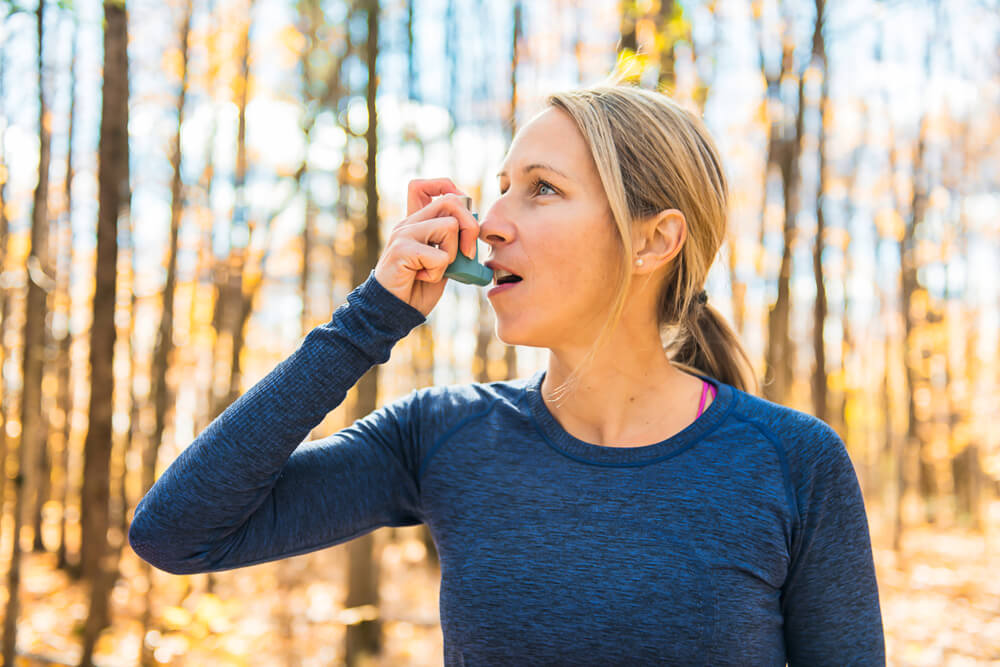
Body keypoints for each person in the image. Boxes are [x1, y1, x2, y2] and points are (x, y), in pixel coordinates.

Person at [129, 83, 885, 665]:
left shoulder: (794, 463)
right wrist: (368, 320)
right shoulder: (443, 435)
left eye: (542, 187)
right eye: (500, 185)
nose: (489, 220)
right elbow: (176, 534)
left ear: (655, 240)